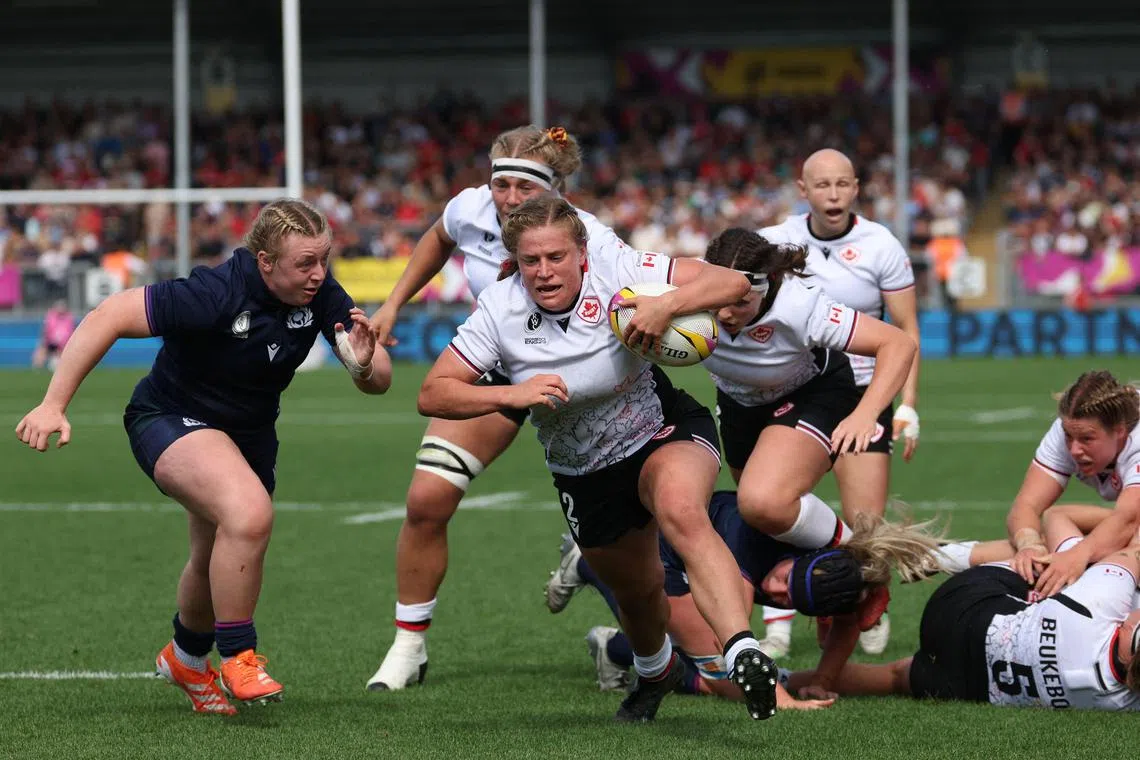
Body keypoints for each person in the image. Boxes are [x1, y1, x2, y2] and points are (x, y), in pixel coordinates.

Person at [14, 199, 391, 715]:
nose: (319, 273)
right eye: (305, 263)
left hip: (250, 436)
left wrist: (364, 365)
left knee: (216, 551)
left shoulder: (322, 293)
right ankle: (238, 656)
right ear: (264, 262)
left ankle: (187, 658)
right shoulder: (214, 293)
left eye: (324, 259)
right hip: (168, 418)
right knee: (248, 513)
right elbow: (109, 315)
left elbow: (379, 380)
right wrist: (53, 404)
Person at [418, 195, 778, 722]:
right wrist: (509, 395)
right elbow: (433, 392)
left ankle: (742, 650)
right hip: (584, 471)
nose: (544, 272)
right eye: (530, 261)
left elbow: (734, 283)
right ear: (514, 263)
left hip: (660, 427)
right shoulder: (500, 309)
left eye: (556, 257)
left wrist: (665, 306)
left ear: (582, 253)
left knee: (682, 512)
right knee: (638, 591)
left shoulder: (619, 268)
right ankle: (656, 672)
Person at [365, 125, 638, 692]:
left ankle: (601, 591)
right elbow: (439, 237)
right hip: (501, 365)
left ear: (556, 188)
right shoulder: (471, 208)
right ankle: (407, 648)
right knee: (427, 500)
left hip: (580, 376)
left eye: (524, 187)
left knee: (630, 535)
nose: (510, 198)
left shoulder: (590, 236)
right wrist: (394, 302)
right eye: (501, 184)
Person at [693, 228, 916, 639]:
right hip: (739, 405)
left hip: (812, 392)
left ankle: (860, 562)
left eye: (741, 302)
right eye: (719, 300)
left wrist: (867, 413)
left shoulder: (801, 306)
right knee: (766, 521)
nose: (726, 314)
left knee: (762, 500)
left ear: (768, 284)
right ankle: (828, 585)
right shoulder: (685, 294)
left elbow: (898, 344)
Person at [544, 490, 943, 707]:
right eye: (785, 579)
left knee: (715, 669)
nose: (776, 591)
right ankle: (591, 564)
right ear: (798, 557)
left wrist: (823, 680)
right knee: (718, 674)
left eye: (789, 598)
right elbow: (727, 650)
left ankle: (613, 649)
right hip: (671, 550)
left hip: (708, 565)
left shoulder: (838, 569)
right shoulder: (758, 553)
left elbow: (846, 620)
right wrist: (784, 699)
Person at [757, 148, 922, 657]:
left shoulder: (881, 245)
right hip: (793, 391)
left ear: (857, 188)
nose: (833, 195)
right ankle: (778, 621)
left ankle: (866, 604)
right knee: (772, 508)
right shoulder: (775, 242)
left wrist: (907, 406)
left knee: (864, 525)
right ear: (803, 191)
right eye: (822, 185)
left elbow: (906, 330)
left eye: (843, 184)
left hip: (862, 393)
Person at [782, 549, 1140, 711]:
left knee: (1054, 557)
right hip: (963, 683)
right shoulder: (1124, 702)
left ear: (1130, 634)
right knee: (895, 678)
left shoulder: (1097, 611)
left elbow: (1061, 517)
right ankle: (781, 681)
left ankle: (941, 555)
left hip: (961, 607)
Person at [919, 370, 1140, 596]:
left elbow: (1127, 520)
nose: (1074, 449)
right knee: (1069, 544)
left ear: (1119, 431)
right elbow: (1027, 505)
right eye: (1068, 437)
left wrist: (1075, 557)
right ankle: (944, 555)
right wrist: (1029, 545)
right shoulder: (1071, 430)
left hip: (1132, 522)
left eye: (1087, 439)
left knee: (1125, 547)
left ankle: (952, 556)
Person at [31, 299, 77, 371]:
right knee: (40, 353)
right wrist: (45, 342)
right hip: (51, 342)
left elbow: (70, 333)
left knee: (59, 358)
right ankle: (36, 371)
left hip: (63, 344)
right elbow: (46, 331)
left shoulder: (69, 318)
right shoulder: (51, 317)